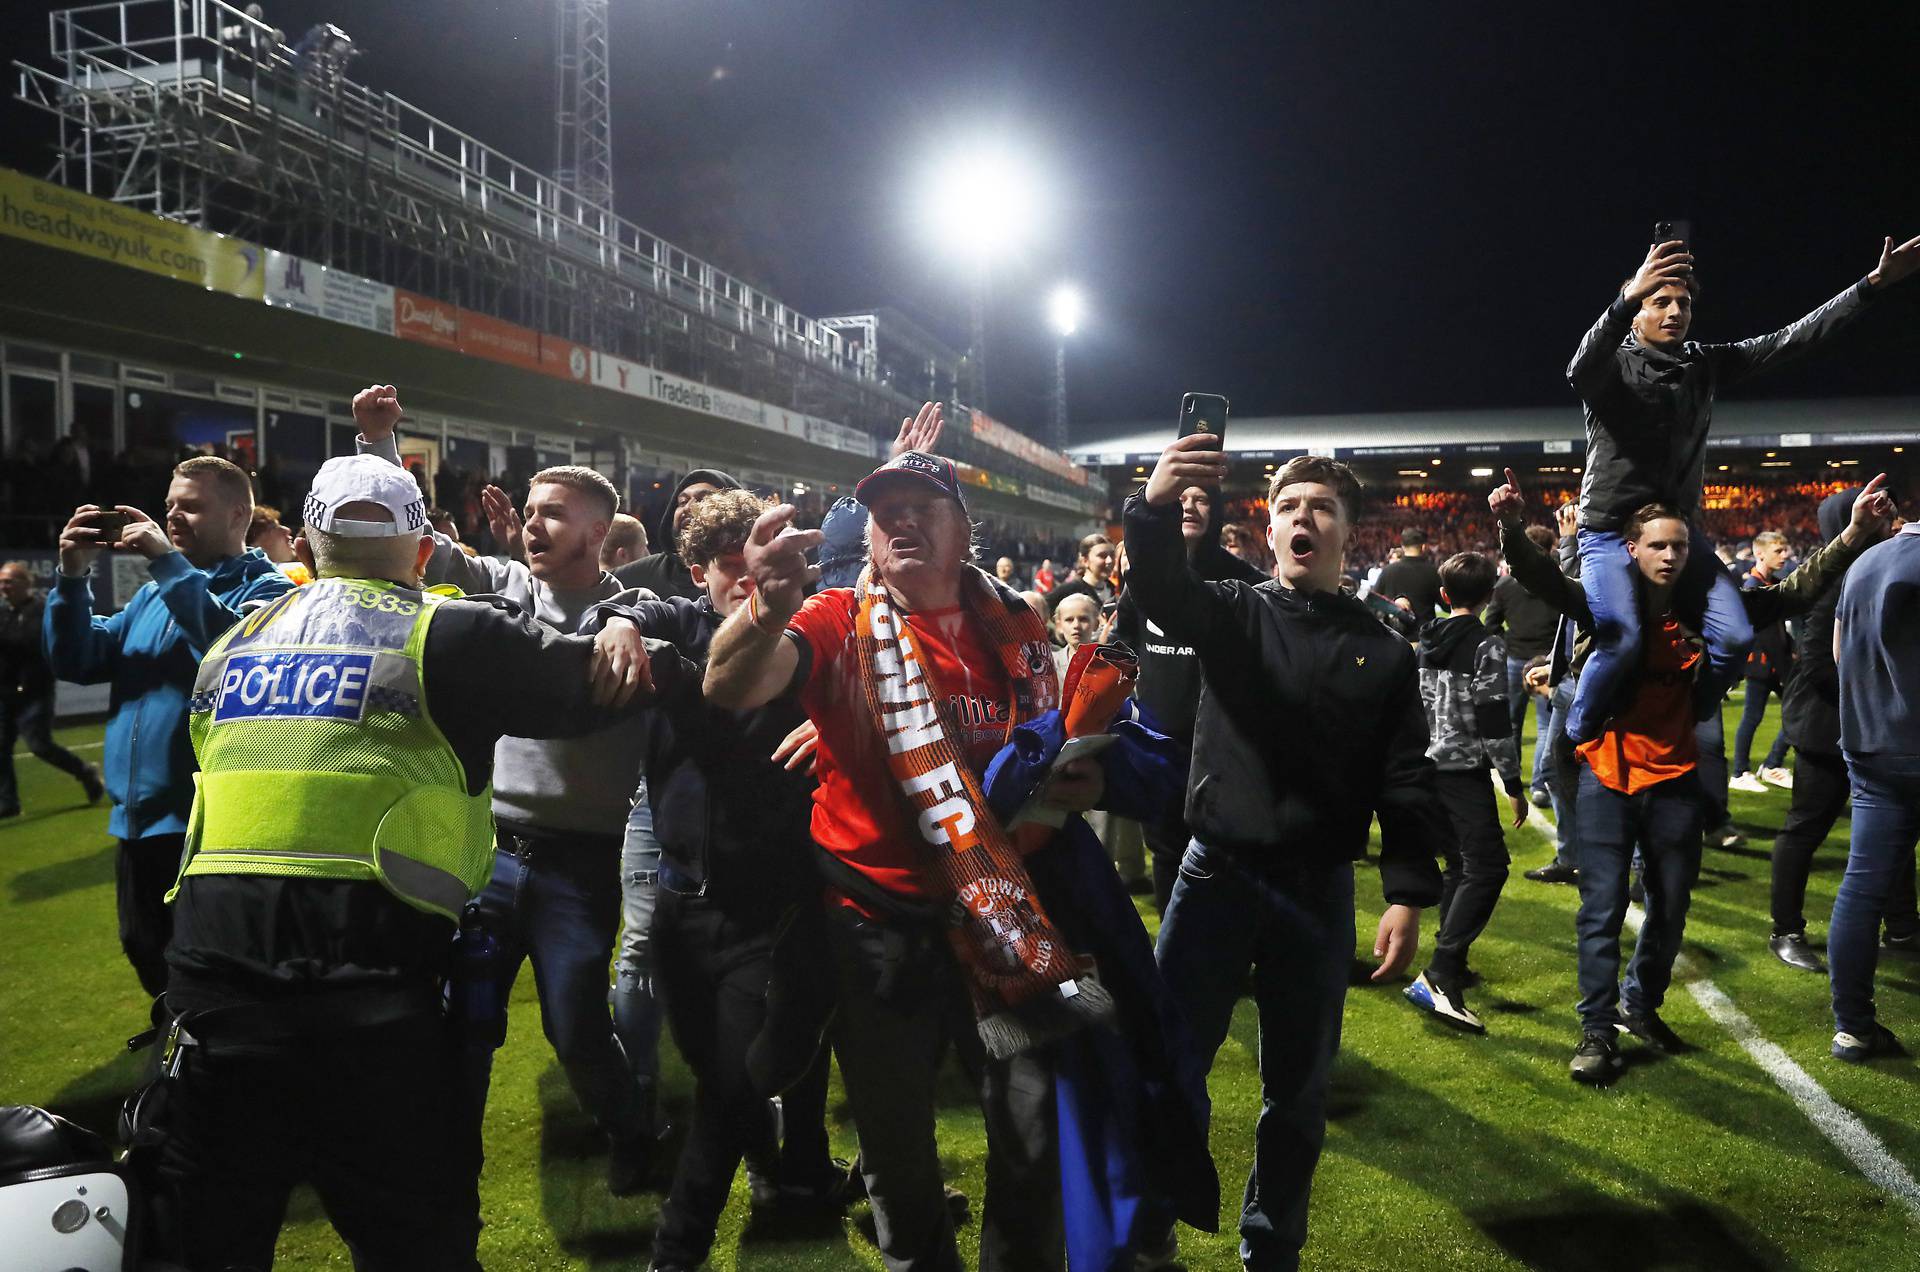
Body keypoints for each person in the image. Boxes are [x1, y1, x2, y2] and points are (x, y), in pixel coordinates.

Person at [148, 452, 676, 1271]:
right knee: (414, 1245)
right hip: (370, 1013)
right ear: (423, 550)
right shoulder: (449, 633)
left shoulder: (236, 641)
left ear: (311, 543)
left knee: (204, 1246)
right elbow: (598, 685)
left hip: (209, 1006)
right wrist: (640, 620)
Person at [704, 410, 1113, 1271]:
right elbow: (731, 683)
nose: (900, 521)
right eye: (885, 507)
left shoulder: (1020, 624)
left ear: (966, 529)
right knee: (899, 1156)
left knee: (1032, 1134)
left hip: (1002, 917)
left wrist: (1076, 781)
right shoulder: (832, 618)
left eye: (923, 505)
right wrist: (762, 610)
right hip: (878, 929)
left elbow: (1048, 752)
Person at [1125, 433, 1450, 1269]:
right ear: (1268, 532)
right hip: (1216, 875)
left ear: (1350, 533)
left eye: (1321, 509)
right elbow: (1161, 586)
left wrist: (1410, 892)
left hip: (1315, 889)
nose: (1302, 519)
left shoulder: (1385, 649)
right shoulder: (1230, 611)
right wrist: (1156, 507)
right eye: (1288, 508)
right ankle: (1154, 1220)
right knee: (1172, 1061)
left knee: (1298, 1093)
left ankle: (1272, 1247)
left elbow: (1406, 776)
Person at [350, 384, 664, 1190]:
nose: (533, 523)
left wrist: (628, 619)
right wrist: (382, 446)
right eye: (530, 509)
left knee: (575, 1028)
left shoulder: (637, 612)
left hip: (578, 868)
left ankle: (634, 1126)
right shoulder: (503, 589)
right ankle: (451, 1163)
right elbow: (424, 545)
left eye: (554, 513)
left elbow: (654, 614)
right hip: (489, 854)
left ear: (599, 534)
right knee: (465, 1021)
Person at [1492, 471, 1891, 1083]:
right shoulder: (1603, 606)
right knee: (1599, 909)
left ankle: (1640, 1004)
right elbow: (1540, 575)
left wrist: (1856, 535)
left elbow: (1794, 591)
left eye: (1679, 545)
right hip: (1606, 774)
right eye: (1658, 545)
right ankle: (1596, 1031)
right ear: (1632, 550)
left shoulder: (1705, 609)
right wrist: (1512, 526)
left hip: (1675, 775)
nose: (1670, 555)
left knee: (1671, 907)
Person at [584, 488, 845, 1270]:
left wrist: (834, 720)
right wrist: (619, 621)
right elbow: (624, 609)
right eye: (732, 568)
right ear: (698, 573)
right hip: (683, 905)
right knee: (718, 1078)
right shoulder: (677, 625)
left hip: (780, 910)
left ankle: (678, 1249)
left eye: (762, 566)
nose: (749, 581)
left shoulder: (811, 639)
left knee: (732, 1087)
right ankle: (792, 1175)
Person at [1564, 230, 1920, 745]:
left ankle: (1691, 715)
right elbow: (1578, 369)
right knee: (1620, 640)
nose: (1674, 311)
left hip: (1681, 534)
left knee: (1731, 638)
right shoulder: (1610, 367)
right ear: (1636, 313)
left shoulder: (1704, 365)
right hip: (1609, 534)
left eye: (1683, 303)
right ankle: (1577, 734)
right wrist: (1623, 298)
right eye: (1658, 301)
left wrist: (1871, 284)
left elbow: (1793, 338)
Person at [47, 456, 295, 995]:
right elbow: (79, 660)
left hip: (211, 829)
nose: (172, 519)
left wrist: (165, 563)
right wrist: (71, 576)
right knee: (146, 951)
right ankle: (183, 1067)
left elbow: (230, 652)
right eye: (169, 507)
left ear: (237, 516)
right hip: (136, 824)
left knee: (212, 972)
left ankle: (215, 1070)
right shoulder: (152, 592)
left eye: (192, 507)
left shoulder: (270, 591)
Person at [1771, 488, 1920, 973]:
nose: (1889, 521)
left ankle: (1901, 923)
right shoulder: (1836, 572)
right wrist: (1871, 698)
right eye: (1879, 514)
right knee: (1806, 828)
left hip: (1866, 724)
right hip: (1827, 726)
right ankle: (1786, 929)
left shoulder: (1873, 563)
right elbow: (1816, 661)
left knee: (1890, 830)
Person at [1110, 481, 1265, 912]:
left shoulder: (1246, 584)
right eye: (1180, 500)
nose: (1189, 507)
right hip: (1160, 746)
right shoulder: (1141, 585)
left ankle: (1229, 960)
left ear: (1215, 511)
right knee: (1165, 852)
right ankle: (1174, 965)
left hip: (1225, 751)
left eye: (1200, 499)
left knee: (1228, 856)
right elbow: (1122, 651)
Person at [1404, 552, 1528, 1033]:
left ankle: (1449, 964)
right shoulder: (1486, 645)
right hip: (1461, 770)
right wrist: (1513, 783)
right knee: (1489, 866)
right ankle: (1440, 972)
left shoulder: (1424, 639)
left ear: (1442, 595)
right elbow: (1495, 719)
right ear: (1490, 596)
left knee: (1459, 863)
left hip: (1426, 765)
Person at [1827, 509, 1920, 1062]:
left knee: (1861, 889)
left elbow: (1840, 655)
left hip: (1871, 747)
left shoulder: (1864, 560)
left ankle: (1854, 1027)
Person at [0, 561, 103, 818]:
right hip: (5, 693)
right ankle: (8, 801)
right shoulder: (3, 614)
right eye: (1, 581)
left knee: (39, 745)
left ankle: (84, 772)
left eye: (9, 581)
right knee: (1, 747)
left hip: (35, 692)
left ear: (26, 583)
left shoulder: (42, 610)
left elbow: (38, 644)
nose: (4, 586)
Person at [1484, 524, 1563, 805]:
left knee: (1513, 722)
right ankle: (1541, 785)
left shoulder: (1506, 584)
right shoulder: (1557, 580)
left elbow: (1491, 623)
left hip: (1516, 658)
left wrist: (1509, 641)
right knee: (1546, 726)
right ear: (1550, 547)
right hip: (1548, 661)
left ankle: (1513, 779)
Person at [1729, 530, 1795, 792]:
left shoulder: (1773, 583)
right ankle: (1742, 772)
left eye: (1784, 550)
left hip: (1773, 663)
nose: (1785, 555)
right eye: (1778, 551)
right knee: (1754, 717)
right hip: (1762, 664)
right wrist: (1784, 668)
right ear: (1760, 553)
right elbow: (1765, 634)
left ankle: (1769, 764)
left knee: (1794, 713)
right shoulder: (1753, 587)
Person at [615, 469, 743, 600]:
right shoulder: (634, 577)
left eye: (704, 500)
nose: (688, 507)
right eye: (682, 501)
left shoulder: (752, 574)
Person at [1044, 532, 1118, 615]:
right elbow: (1042, 609)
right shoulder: (1070, 590)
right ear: (1085, 561)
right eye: (1102, 556)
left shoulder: (1114, 590)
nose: (1109, 561)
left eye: (1112, 555)